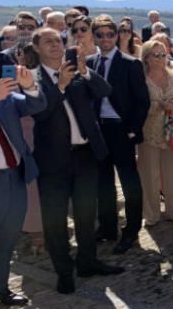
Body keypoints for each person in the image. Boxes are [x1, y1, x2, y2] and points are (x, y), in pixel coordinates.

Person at [31, 28, 124, 293]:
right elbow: (40, 113)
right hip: (53, 162)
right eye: (47, 41)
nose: (55, 45)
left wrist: (83, 71)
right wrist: (60, 85)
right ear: (36, 48)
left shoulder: (76, 73)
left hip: (85, 155)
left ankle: (87, 262)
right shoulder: (32, 79)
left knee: (86, 215)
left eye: (58, 41)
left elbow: (105, 89)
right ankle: (64, 271)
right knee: (55, 220)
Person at [0, 65, 45, 309]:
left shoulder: (3, 94)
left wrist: (30, 86)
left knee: (7, 239)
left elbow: (36, 106)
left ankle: (0, 287)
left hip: (15, 177)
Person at [87, 16, 150, 253]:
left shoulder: (130, 64)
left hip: (121, 129)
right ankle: (107, 227)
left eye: (109, 34)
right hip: (98, 130)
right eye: (100, 34)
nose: (105, 39)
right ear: (94, 37)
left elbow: (142, 101)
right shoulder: (90, 63)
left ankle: (131, 230)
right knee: (103, 183)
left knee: (129, 182)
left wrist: (133, 129)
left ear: (117, 36)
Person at [137, 40, 173, 227]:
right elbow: (136, 104)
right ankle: (151, 214)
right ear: (146, 58)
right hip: (148, 131)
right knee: (149, 175)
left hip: (172, 131)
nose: (160, 58)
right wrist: (158, 106)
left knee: (172, 173)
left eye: (163, 54)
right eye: (155, 55)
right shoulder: (140, 78)